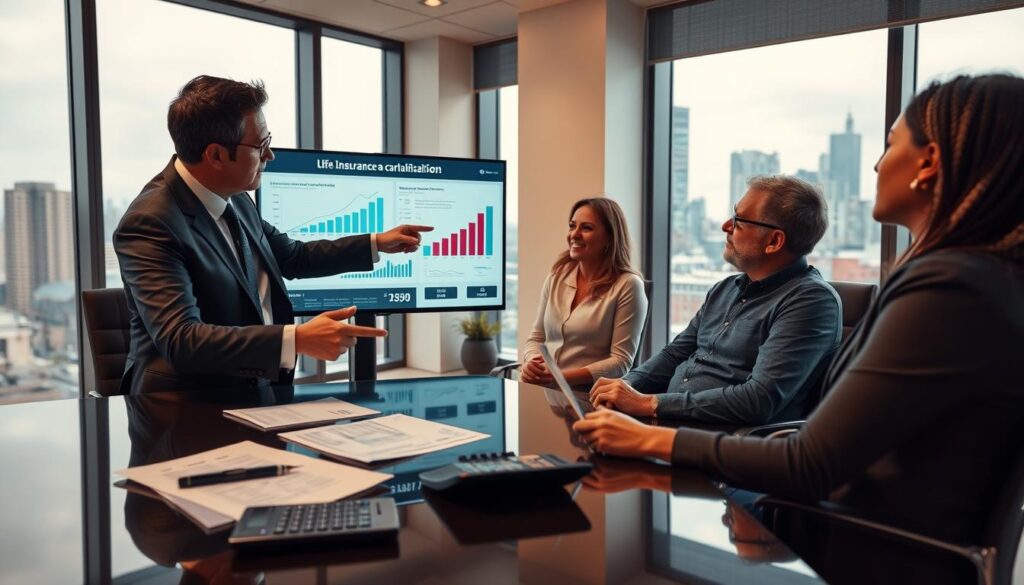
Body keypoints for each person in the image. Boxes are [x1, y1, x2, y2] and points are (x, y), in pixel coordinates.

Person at [574, 74, 1024, 547]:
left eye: (891, 145)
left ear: (929, 162)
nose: (875, 164)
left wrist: (647, 432)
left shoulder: (950, 289)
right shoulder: (980, 279)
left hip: (870, 544)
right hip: (859, 521)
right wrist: (634, 404)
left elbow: (809, 461)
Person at [114, 75, 432, 394]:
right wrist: (298, 338)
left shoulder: (235, 196)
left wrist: (377, 243)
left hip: (253, 390)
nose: (270, 156)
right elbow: (181, 340)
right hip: (183, 410)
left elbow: (293, 257)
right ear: (216, 156)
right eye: (261, 145)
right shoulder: (151, 222)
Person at [589, 176, 841, 425]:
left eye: (739, 220)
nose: (725, 226)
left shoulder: (811, 302)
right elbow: (673, 356)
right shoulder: (725, 289)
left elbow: (759, 400)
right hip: (671, 423)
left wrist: (650, 404)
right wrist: (625, 386)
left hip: (723, 443)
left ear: (774, 241)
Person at [520, 198, 648, 389]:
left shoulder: (628, 285)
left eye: (586, 228)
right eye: (572, 226)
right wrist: (531, 362)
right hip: (545, 390)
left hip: (591, 396)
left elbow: (621, 362)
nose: (574, 234)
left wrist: (560, 377)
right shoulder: (557, 276)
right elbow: (537, 338)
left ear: (610, 237)